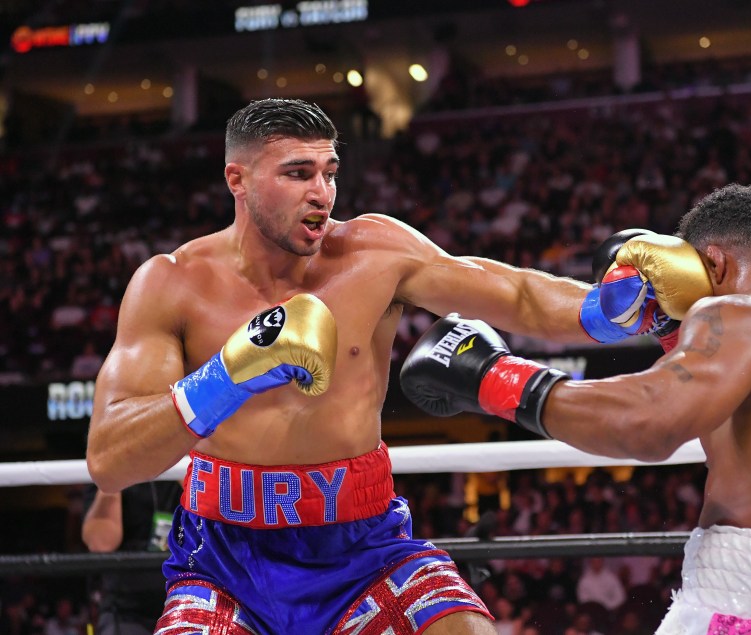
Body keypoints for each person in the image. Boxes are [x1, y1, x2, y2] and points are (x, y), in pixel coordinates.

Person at [85, 98, 628, 635]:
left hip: (365, 548)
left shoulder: (374, 252)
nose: (321, 193)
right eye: (298, 174)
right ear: (238, 180)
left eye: (329, 172)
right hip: (224, 561)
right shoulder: (171, 283)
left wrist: (608, 310)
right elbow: (111, 459)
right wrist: (225, 376)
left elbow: (514, 293)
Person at [401, 183, 751, 634]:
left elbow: (647, 422)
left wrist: (494, 377)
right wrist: (671, 336)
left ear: (714, 261)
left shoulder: (741, 313)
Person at [82, 481, 183, 634]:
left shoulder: (191, 465)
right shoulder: (108, 469)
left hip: (190, 602)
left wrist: (191, 474)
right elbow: (101, 543)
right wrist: (113, 477)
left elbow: (215, 531)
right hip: (125, 609)